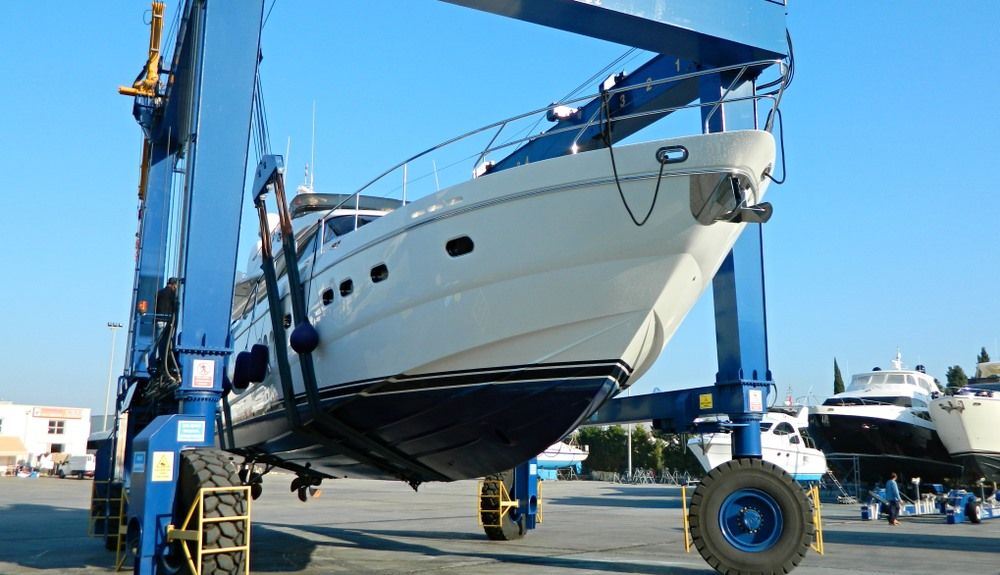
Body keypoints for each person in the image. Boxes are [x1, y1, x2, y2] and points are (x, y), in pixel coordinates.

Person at [154, 277, 179, 373]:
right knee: (167, 344)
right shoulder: (173, 294)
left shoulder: (159, 293)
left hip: (159, 321)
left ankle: (157, 361)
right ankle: (166, 363)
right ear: (173, 285)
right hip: (168, 322)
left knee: (158, 343)